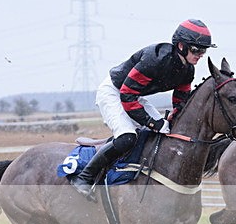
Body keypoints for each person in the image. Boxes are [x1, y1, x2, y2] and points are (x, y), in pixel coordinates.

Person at [70, 19, 216, 200]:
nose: (200, 54)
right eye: (196, 49)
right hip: (114, 92)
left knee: (167, 132)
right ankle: (84, 178)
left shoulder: (188, 71)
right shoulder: (154, 60)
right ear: (180, 46)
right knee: (127, 138)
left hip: (134, 95)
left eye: (204, 50)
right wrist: (153, 123)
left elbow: (181, 102)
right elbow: (126, 95)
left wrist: (173, 118)